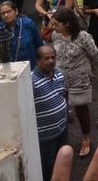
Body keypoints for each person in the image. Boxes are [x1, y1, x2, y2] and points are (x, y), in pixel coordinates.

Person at [51, 7, 98, 158]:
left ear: (67, 24)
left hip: (79, 78)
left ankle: (85, 137)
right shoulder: (55, 35)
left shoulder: (83, 37)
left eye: (57, 24)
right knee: (60, 108)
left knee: (81, 109)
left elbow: (95, 55)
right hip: (59, 78)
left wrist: (87, 71)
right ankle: (61, 140)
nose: (54, 27)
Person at [32, 45, 68, 181]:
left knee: (64, 161)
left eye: (53, 57)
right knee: (48, 169)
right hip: (45, 137)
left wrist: (67, 113)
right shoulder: (31, 82)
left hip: (62, 130)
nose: (51, 61)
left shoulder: (58, 74)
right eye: (46, 58)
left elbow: (63, 95)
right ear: (38, 61)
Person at [0, 0, 43, 68]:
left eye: (8, 12)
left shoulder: (28, 24)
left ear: (16, 11)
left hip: (31, 66)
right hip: (10, 68)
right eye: (3, 13)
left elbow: (39, 44)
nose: (6, 15)